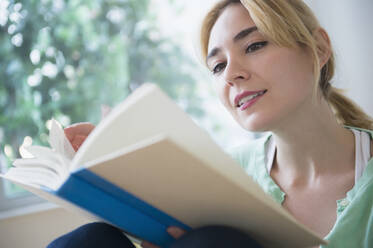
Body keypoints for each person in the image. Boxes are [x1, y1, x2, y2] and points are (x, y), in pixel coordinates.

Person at [48, 0, 373, 247]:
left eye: (254, 45)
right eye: (218, 66)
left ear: (318, 48)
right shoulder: (219, 175)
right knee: (91, 239)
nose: (232, 74)